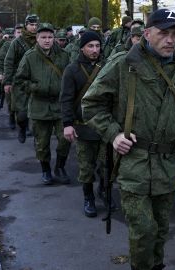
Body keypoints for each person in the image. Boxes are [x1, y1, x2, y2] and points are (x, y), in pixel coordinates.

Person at [81, 9, 175, 270]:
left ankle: (156, 265)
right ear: (147, 34)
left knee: (162, 229)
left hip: (169, 164)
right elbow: (91, 104)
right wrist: (114, 134)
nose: (170, 40)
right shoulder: (123, 64)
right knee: (143, 230)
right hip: (134, 163)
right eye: (163, 33)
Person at [14, 23, 71, 185]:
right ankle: (45, 169)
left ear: (54, 38)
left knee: (65, 139)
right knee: (42, 142)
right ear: (37, 39)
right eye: (43, 37)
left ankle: (60, 167)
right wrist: (35, 87)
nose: (47, 40)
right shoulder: (29, 57)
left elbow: (70, 77)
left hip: (60, 106)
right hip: (39, 106)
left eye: (50, 37)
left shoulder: (63, 56)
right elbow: (20, 80)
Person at [61, 31, 106, 217]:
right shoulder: (72, 70)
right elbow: (66, 99)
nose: (95, 50)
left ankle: (104, 192)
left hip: (104, 126)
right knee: (86, 167)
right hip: (83, 126)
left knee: (107, 164)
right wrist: (67, 124)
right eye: (90, 46)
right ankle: (88, 198)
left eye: (97, 46)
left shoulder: (106, 67)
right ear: (82, 48)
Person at [4, 14, 39, 144]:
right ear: (26, 25)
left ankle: (38, 139)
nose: (34, 27)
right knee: (22, 114)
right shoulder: (17, 42)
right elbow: (9, 62)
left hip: (37, 81)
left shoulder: (40, 40)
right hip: (20, 82)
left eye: (36, 25)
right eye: (31, 24)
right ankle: (22, 128)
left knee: (37, 112)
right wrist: (7, 81)